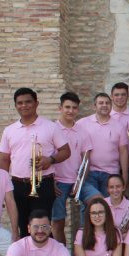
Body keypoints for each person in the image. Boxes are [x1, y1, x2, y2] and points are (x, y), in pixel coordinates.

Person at [0, 87, 71, 238]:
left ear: (36, 103)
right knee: (24, 229)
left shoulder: (51, 127)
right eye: (20, 103)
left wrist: (50, 160)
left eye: (28, 102)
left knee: (43, 228)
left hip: (43, 184)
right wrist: (2, 189)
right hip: (17, 185)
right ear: (16, 105)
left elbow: (66, 151)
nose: (24, 105)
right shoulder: (9, 130)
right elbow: (4, 160)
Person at [52, 92, 99, 244]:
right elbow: (47, 158)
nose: (70, 111)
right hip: (57, 181)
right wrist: (50, 181)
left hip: (77, 180)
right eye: (67, 107)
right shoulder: (51, 129)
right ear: (60, 108)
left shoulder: (82, 131)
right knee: (58, 221)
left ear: (78, 110)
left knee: (98, 201)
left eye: (74, 108)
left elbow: (86, 160)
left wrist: (80, 182)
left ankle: (84, 243)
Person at [76, 93, 129, 197]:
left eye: (107, 103)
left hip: (111, 173)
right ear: (94, 106)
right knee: (89, 206)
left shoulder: (119, 126)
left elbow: (123, 151)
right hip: (89, 173)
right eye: (101, 103)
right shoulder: (82, 124)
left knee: (109, 206)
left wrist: (125, 176)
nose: (104, 105)